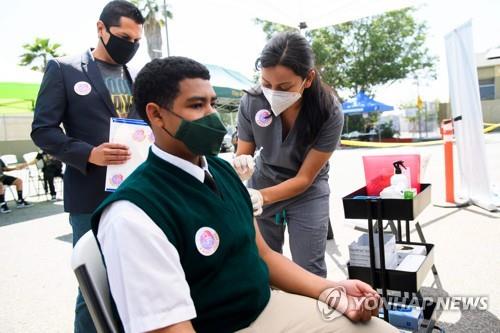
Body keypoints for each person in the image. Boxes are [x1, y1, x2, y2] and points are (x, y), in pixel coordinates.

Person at [90, 56, 397, 333]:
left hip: (269, 307)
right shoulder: (134, 214)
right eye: (197, 106)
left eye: (213, 104)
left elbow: (265, 255)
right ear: (156, 115)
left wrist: (332, 290)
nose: (212, 116)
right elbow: (166, 327)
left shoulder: (222, 172)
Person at [30, 1, 144, 331]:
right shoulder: (64, 68)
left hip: (138, 192)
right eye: (124, 37)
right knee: (94, 284)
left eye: (136, 41)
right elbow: (42, 130)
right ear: (100, 29)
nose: (131, 46)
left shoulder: (136, 75)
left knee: (135, 278)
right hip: (90, 195)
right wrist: (88, 153)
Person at [233, 32, 344, 277]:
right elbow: (244, 151)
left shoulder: (328, 112)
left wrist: (260, 197)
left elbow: (304, 179)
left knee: (309, 269)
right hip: (262, 182)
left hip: (307, 191)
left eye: (284, 87)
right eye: (266, 84)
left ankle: (312, 314)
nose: (272, 93)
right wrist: (242, 163)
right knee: (264, 266)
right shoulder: (251, 102)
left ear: (308, 78)